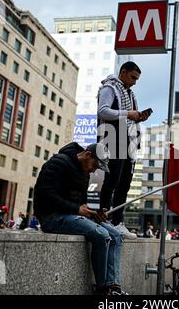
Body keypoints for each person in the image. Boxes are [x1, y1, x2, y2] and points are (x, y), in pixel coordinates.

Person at [33, 142, 127, 295]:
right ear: (87, 154)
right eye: (95, 165)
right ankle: (103, 290)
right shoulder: (58, 162)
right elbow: (45, 195)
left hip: (71, 215)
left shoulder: (84, 172)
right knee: (102, 235)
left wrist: (95, 212)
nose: (94, 169)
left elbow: (81, 203)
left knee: (116, 235)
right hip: (52, 217)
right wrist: (77, 209)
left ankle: (114, 286)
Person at [97, 61, 151, 240]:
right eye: (133, 77)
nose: (135, 82)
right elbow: (102, 111)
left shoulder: (130, 92)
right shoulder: (109, 88)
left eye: (137, 79)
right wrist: (128, 114)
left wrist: (137, 118)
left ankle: (117, 222)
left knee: (125, 182)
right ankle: (103, 219)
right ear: (123, 72)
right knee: (112, 179)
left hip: (127, 139)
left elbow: (127, 117)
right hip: (112, 136)